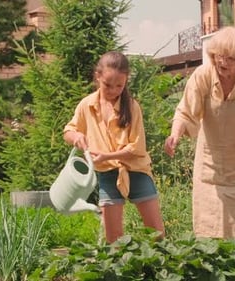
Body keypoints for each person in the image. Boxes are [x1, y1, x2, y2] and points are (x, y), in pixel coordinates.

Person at [164, 26, 235, 242]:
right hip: (210, 165)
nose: (223, 63)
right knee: (210, 229)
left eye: (230, 59)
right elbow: (185, 111)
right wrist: (175, 135)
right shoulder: (202, 75)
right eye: (219, 57)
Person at [63, 51, 165, 243]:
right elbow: (68, 131)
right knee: (113, 239)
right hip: (108, 174)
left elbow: (137, 148)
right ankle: (119, 270)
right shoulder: (87, 105)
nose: (113, 90)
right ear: (98, 76)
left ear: (126, 81)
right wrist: (76, 136)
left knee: (157, 234)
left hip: (137, 170)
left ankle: (158, 269)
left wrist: (105, 156)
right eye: (108, 85)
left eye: (120, 85)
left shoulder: (132, 107)